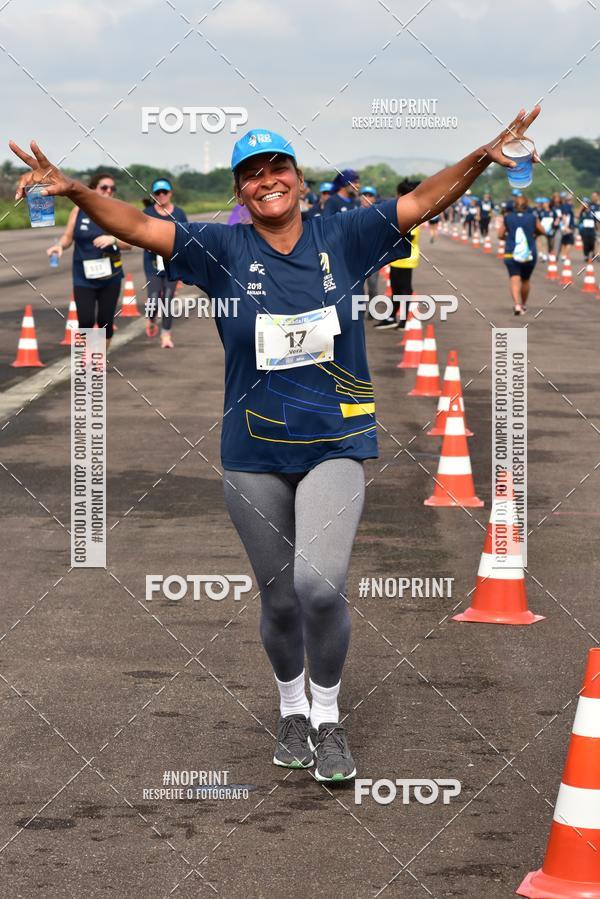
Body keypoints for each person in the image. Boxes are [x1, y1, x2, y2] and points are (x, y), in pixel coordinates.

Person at [11, 106, 541, 782]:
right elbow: (140, 225)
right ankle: (290, 704)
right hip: (252, 452)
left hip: (335, 441)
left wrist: (481, 155)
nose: (268, 181)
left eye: (278, 168)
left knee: (318, 585)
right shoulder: (222, 249)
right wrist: (80, 192)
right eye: (252, 174)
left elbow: (424, 198)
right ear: (240, 192)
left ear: (298, 176)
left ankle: (327, 716)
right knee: (278, 597)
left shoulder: (345, 235)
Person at [45, 172, 131, 351]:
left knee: (105, 322)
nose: (109, 191)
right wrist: (59, 246)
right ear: (93, 189)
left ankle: (99, 362)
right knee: (85, 321)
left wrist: (113, 239)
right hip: (83, 277)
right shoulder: (78, 211)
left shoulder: (119, 212)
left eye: (112, 189)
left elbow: (130, 243)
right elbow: (68, 237)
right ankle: (87, 360)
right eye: (104, 188)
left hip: (111, 277)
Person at [143, 178, 188, 349]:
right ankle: (151, 318)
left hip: (172, 262)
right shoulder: (147, 212)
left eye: (164, 192)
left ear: (170, 193)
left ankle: (166, 335)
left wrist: (185, 269)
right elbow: (138, 233)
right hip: (152, 263)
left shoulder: (179, 214)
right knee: (154, 298)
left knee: (168, 299)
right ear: (154, 195)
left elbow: (186, 240)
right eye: (157, 193)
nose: (161, 195)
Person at [376, 179, 421, 330]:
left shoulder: (412, 212)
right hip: (397, 257)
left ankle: (403, 319)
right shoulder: (404, 210)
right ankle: (391, 317)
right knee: (395, 288)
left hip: (407, 258)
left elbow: (411, 234)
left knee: (405, 289)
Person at [498, 194, 546, 315]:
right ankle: (523, 304)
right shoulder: (533, 218)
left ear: (514, 205)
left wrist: (507, 237)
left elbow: (500, 235)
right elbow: (543, 231)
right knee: (525, 280)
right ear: (527, 206)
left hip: (511, 251)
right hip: (529, 253)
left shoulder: (508, 217)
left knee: (514, 278)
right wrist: (534, 235)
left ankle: (517, 305)